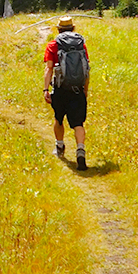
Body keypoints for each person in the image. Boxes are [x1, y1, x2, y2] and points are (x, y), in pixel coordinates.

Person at [43, 16, 90, 170]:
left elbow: (49, 68)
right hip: (77, 89)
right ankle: (81, 151)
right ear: (73, 28)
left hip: (60, 88)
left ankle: (60, 146)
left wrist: (45, 89)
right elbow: (86, 70)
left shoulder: (53, 45)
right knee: (78, 123)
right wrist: (85, 90)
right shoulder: (81, 45)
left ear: (58, 29)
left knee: (58, 118)